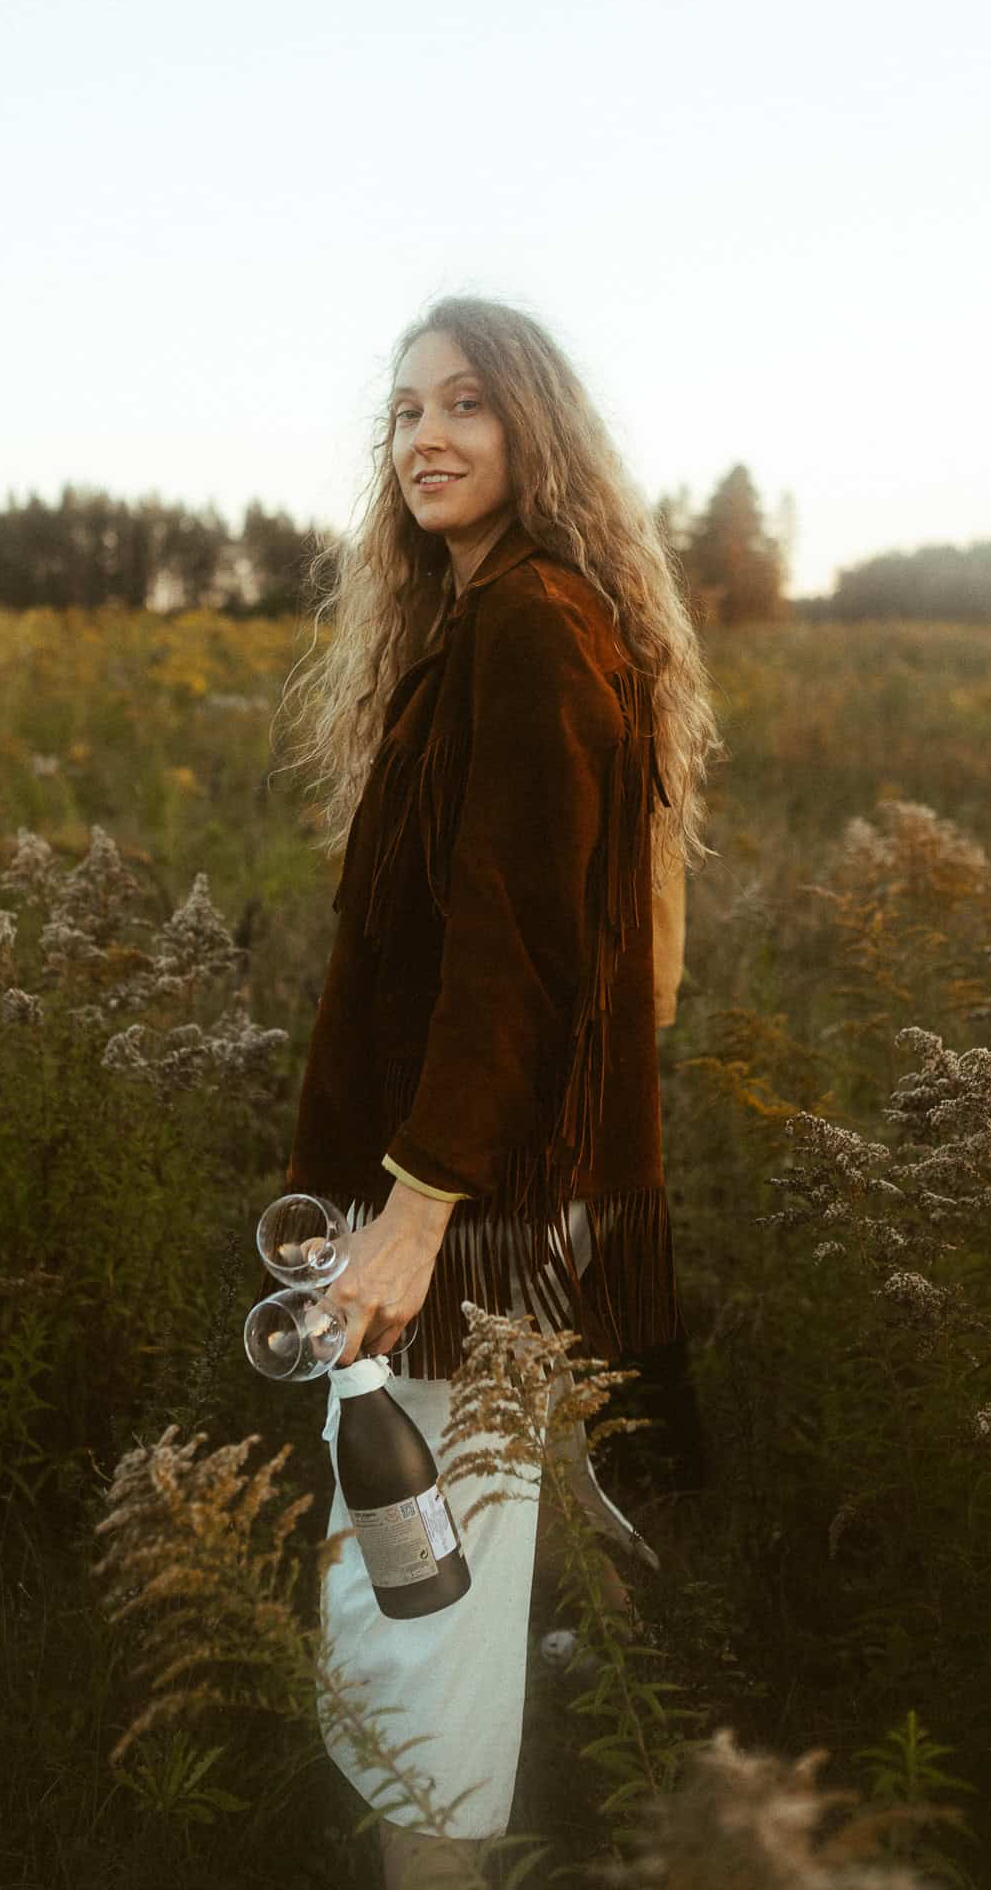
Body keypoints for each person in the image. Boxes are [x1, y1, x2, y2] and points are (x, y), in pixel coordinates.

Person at [270, 295, 721, 1888]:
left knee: (417, 1612)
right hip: (492, 1200)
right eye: (404, 413)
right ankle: (615, 1642)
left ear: (535, 430)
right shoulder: (493, 624)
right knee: (472, 1555)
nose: (426, 439)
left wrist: (413, 1219)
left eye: (465, 404)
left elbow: (518, 960)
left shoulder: (534, 623)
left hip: (469, 1221)